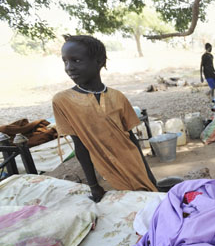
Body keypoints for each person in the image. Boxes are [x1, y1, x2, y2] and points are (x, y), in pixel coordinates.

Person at [52, 35, 157, 202]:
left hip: (133, 164)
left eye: (76, 61)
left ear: (99, 62)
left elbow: (131, 138)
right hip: (105, 172)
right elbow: (79, 144)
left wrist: (149, 175)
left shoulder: (118, 97)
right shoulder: (63, 101)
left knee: (150, 202)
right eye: (65, 61)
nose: (69, 67)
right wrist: (94, 186)